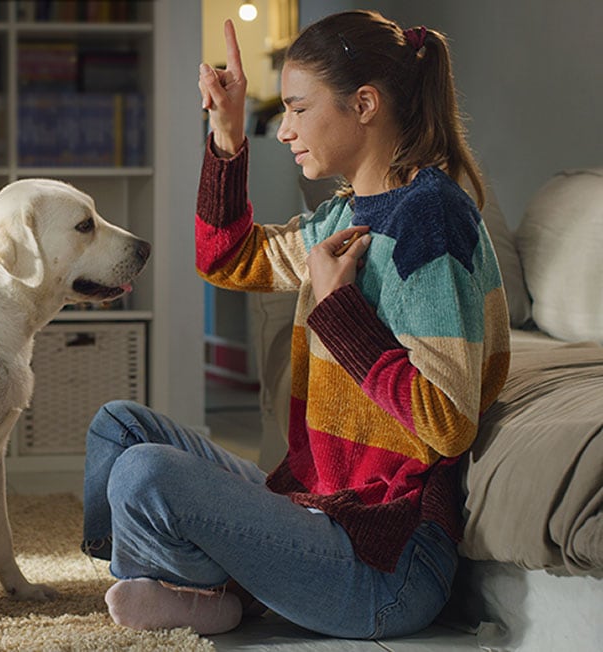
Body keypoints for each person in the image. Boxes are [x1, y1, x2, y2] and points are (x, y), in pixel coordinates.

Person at [81, 10, 511, 639]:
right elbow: (227, 258)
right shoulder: (345, 215)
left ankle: (206, 586)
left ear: (364, 104)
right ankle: (174, 579)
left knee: (147, 473)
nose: (283, 130)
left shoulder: (430, 220)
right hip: (321, 507)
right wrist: (226, 137)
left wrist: (339, 312)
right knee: (118, 428)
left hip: (388, 562)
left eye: (298, 109)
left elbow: (446, 423)